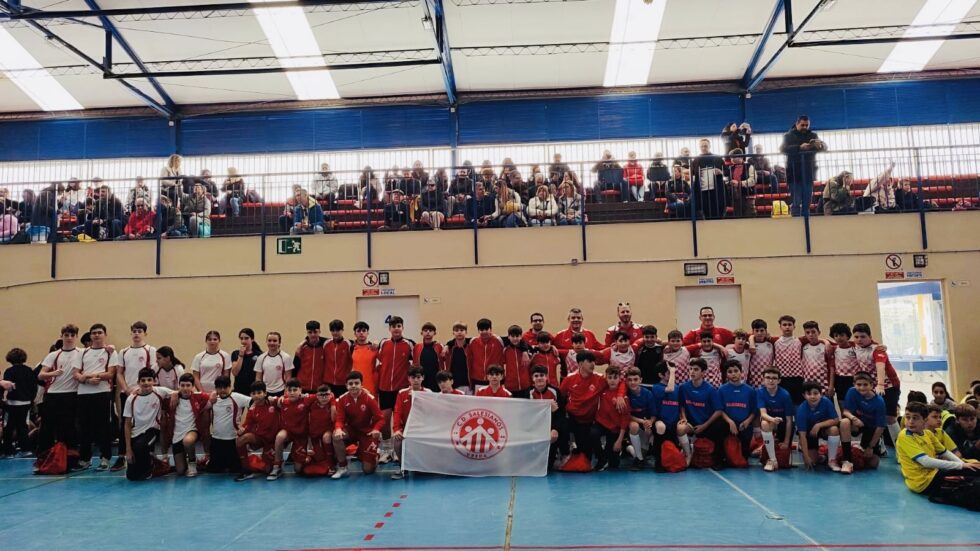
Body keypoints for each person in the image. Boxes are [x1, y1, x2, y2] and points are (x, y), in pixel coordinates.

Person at [897, 401, 980, 510]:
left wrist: (964, 465)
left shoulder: (928, 434)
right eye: (908, 417)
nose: (911, 421)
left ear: (925, 420)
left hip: (935, 473)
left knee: (974, 468)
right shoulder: (905, 436)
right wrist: (961, 466)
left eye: (915, 418)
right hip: (924, 483)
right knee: (973, 485)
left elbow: (945, 452)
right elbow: (925, 461)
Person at [559, 351, 622, 464]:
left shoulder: (600, 379)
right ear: (580, 364)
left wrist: (620, 395)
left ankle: (601, 456)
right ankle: (564, 453)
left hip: (589, 421)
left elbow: (621, 383)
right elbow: (559, 396)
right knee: (560, 427)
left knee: (586, 457)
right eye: (589, 361)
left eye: (594, 361)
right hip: (572, 418)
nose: (593, 364)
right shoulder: (569, 379)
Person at [73, 323, 118, 470]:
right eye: (94, 333)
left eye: (99, 332)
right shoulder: (82, 353)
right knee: (84, 427)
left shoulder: (110, 352)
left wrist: (90, 376)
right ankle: (85, 459)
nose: (96, 335)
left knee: (103, 427)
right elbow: (76, 373)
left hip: (102, 393)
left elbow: (110, 374)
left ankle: (105, 458)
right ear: (90, 336)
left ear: (105, 335)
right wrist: (86, 380)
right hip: (83, 394)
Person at [37, 324, 83, 462]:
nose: (69, 338)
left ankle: (70, 460)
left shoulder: (82, 353)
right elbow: (41, 375)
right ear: (61, 336)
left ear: (76, 337)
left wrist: (110, 348)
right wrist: (53, 373)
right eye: (66, 335)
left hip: (72, 394)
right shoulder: (54, 355)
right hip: (53, 394)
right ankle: (44, 459)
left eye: (72, 335)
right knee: (47, 428)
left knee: (69, 428)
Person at [852, 323, 901, 446]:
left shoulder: (878, 350)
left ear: (870, 336)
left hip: (889, 386)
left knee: (890, 418)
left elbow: (880, 367)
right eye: (856, 337)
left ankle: (901, 448)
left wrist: (880, 384)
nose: (859, 340)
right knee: (873, 417)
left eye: (863, 337)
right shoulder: (855, 346)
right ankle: (878, 447)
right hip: (872, 387)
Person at [332, 371, 384, 479]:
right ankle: (343, 467)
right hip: (352, 430)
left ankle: (375, 455)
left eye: (356, 383)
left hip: (367, 432)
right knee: (336, 435)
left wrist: (376, 429)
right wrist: (338, 428)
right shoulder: (342, 399)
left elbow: (380, 419)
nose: (353, 386)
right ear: (346, 385)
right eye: (350, 384)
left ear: (361, 384)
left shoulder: (369, 398)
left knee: (368, 470)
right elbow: (340, 419)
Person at [122, 368, 170, 481]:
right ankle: (152, 460)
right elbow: (127, 424)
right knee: (132, 477)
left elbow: (178, 392)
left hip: (153, 430)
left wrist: (175, 395)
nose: (146, 383)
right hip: (136, 433)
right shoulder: (131, 399)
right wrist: (128, 449)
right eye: (143, 380)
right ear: (138, 382)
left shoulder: (160, 392)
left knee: (140, 447)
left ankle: (151, 466)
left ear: (154, 381)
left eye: (149, 380)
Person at [377, 316, 414, 462]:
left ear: (402, 328)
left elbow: (415, 366)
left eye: (399, 326)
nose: (396, 329)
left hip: (401, 389)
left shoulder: (409, 344)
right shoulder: (383, 343)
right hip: (384, 388)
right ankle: (387, 450)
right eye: (393, 326)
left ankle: (400, 450)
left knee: (402, 421)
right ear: (389, 329)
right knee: (385, 421)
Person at [678, 359, 726, 468]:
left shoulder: (710, 389)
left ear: (703, 372)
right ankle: (688, 454)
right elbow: (681, 406)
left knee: (721, 426)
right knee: (680, 428)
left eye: (696, 369)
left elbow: (719, 410)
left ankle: (718, 459)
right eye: (690, 369)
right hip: (691, 424)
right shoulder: (683, 387)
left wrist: (704, 426)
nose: (692, 372)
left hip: (706, 425)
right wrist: (684, 418)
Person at [164, 373, 210, 477]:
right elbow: (157, 391)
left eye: (188, 385)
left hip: (192, 430)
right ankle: (186, 460)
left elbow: (213, 395)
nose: (185, 388)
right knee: (180, 471)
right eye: (183, 385)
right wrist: (174, 392)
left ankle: (192, 462)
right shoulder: (172, 399)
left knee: (188, 441)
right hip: (177, 435)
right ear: (179, 385)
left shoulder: (199, 397)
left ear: (193, 386)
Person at [269, 379, 316, 481]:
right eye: (289, 390)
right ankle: (277, 466)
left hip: (301, 436)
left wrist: (305, 395)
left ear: (300, 390)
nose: (292, 393)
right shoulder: (282, 401)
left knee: (298, 470)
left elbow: (327, 395)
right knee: (279, 437)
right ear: (286, 391)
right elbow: (267, 399)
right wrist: (277, 398)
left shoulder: (306, 400)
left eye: (295, 390)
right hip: (288, 432)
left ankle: (309, 457)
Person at [840, 372, 886, 475]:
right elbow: (846, 411)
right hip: (857, 425)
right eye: (859, 384)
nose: (862, 387)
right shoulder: (852, 391)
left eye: (865, 385)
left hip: (871, 429)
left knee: (873, 464)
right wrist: (854, 418)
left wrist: (870, 447)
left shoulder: (879, 402)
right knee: (844, 422)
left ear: (871, 385)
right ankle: (847, 461)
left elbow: (880, 427)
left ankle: (868, 446)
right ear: (854, 384)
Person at [780, 115, 826, 217]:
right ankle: (795, 221)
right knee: (796, 201)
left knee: (807, 201)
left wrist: (820, 146)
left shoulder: (813, 135)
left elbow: (824, 147)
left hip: (808, 172)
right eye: (802, 125)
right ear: (797, 124)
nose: (805, 127)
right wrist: (799, 147)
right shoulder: (788, 136)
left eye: (807, 125)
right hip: (794, 174)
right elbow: (782, 149)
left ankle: (806, 220)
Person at [234, 381, 279, 481]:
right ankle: (246, 470)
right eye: (253, 393)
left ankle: (275, 463)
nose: (256, 395)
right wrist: (241, 431)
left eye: (259, 393)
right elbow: (247, 425)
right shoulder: (252, 409)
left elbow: (286, 400)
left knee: (268, 470)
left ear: (265, 393)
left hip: (274, 440)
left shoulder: (273, 402)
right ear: (250, 395)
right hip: (260, 438)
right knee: (240, 440)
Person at [390, 368, 430, 479]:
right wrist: (396, 429)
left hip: (423, 429)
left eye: (418, 377)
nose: (416, 380)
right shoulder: (401, 393)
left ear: (423, 378)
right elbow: (397, 412)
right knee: (397, 441)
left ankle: (426, 465)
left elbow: (431, 412)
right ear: (408, 379)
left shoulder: (428, 393)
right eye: (413, 377)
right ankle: (403, 468)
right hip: (406, 428)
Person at [796, 381, 842, 471]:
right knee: (812, 461)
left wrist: (818, 425)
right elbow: (802, 435)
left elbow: (836, 419)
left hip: (823, 429)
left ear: (821, 394)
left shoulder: (826, 402)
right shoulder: (801, 410)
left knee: (834, 429)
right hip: (809, 433)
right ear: (804, 395)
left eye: (815, 393)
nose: (813, 396)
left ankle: (832, 460)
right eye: (809, 394)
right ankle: (819, 454)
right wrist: (806, 457)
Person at [717, 359, 757, 463]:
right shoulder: (721, 390)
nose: (733, 374)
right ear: (726, 375)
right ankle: (719, 458)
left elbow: (754, 411)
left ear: (741, 372)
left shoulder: (750, 390)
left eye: (736, 371)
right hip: (728, 423)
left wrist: (747, 421)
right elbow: (720, 410)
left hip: (744, 424)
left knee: (743, 458)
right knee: (718, 426)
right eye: (730, 372)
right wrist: (730, 422)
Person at [757, 368, 795, 472]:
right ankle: (772, 460)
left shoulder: (785, 395)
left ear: (779, 380)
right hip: (771, 421)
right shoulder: (760, 392)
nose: (771, 380)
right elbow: (763, 414)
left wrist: (786, 442)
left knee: (784, 457)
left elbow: (789, 420)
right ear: (763, 379)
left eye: (774, 378)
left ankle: (774, 447)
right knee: (764, 423)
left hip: (783, 424)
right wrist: (773, 420)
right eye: (768, 377)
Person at [2, 348, 38, 458]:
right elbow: (34, 387)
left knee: (9, 427)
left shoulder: (9, 371)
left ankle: (8, 451)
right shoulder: (29, 371)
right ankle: (25, 449)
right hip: (26, 403)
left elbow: (8, 387)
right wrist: (31, 399)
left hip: (12, 403)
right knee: (23, 427)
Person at [650, 361, 685, 467]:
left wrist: (683, 417)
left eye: (673, 372)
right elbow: (670, 389)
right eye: (669, 372)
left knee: (673, 449)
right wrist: (673, 372)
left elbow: (681, 405)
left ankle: (687, 454)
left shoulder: (678, 388)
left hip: (673, 422)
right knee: (660, 428)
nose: (672, 374)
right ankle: (658, 461)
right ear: (661, 375)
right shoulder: (656, 387)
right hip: (661, 421)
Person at [529, 365, 564, 470]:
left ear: (546, 377)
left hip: (551, 427)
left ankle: (563, 453)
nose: (539, 378)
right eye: (536, 376)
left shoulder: (555, 391)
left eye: (542, 375)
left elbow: (561, 413)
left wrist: (555, 429)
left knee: (548, 467)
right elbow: (527, 414)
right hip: (535, 427)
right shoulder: (528, 393)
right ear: (532, 378)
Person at [594, 366, 629, 471]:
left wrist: (619, 440)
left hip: (615, 428)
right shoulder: (603, 390)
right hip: (602, 423)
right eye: (610, 377)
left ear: (619, 379)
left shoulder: (623, 398)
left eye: (615, 377)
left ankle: (621, 447)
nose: (612, 380)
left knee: (614, 464)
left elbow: (625, 420)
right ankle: (601, 458)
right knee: (592, 433)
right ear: (606, 378)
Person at [770, 315, 805, 404]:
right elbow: (752, 335)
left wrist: (826, 342)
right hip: (782, 378)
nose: (787, 327)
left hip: (797, 378)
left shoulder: (800, 340)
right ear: (780, 327)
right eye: (784, 325)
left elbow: (817, 339)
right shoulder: (774, 341)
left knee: (798, 404)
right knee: (783, 404)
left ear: (794, 326)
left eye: (789, 324)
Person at [625, 367, 656, 470]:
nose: (632, 382)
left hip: (646, 426)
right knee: (634, 426)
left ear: (640, 380)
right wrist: (642, 421)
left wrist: (649, 423)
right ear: (626, 381)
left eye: (635, 379)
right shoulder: (626, 394)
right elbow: (627, 415)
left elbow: (653, 415)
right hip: (633, 425)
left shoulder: (648, 394)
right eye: (630, 380)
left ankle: (628, 448)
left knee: (644, 452)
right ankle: (639, 460)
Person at [690, 139, 726, 219]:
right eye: (701, 146)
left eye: (705, 146)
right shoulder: (695, 160)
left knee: (718, 209)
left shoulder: (718, 158)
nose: (703, 148)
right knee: (705, 210)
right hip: (702, 190)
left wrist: (721, 172)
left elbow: (726, 172)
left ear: (709, 146)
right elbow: (692, 173)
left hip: (717, 190)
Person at [466, 318, 504, 390]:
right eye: (481, 330)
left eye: (486, 329)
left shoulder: (499, 341)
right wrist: (448, 345)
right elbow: (459, 339)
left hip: (494, 378)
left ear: (491, 329)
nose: (484, 332)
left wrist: (524, 351)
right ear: (478, 331)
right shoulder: (473, 342)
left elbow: (516, 340)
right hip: (477, 379)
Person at [254, 332, 293, 398]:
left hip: (281, 392)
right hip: (265, 392)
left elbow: (288, 377)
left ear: (279, 343)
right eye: (269, 340)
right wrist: (260, 392)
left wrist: (286, 393)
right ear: (266, 342)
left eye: (274, 341)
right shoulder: (261, 358)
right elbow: (258, 378)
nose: (272, 343)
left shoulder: (286, 357)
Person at [293, 320, 328, 394]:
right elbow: (295, 368)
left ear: (319, 332)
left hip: (319, 388)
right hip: (302, 387)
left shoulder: (325, 346)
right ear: (307, 333)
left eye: (315, 332)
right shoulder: (301, 348)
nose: (313, 335)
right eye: (310, 332)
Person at [801, 321, 833, 395]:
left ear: (819, 332)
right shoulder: (803, 347)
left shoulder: (826, 347)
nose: (811, 334)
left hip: (824, 384)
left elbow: (831, 367)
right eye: (808, 332)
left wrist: (831, 386)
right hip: (808, 383)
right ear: (805, 335)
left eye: (813, 332)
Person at [231, 328, 262, 397]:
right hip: (238, 390)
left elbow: (260, 376)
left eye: (246, 338)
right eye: (241, 338)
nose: (243, 341)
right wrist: (241, 356)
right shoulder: (235, 353)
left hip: (253, 391)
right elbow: (235, 372)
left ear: (252, 339)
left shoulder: (259, 355)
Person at [412, 323, 443, 393]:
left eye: (430, 330)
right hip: (421, 380)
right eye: (425, 330)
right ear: (421, 333)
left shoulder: (440, 346)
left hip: (435, 380)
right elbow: (414, 364)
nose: (428, 332)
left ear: (435, 333)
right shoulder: (417, 347)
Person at [351, 321, 379, 395]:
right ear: (355, 333)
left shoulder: (374, 348)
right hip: (355, 385)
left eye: (364, 330)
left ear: (368, 332)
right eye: (358, 331)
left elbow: (385, 363)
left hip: (371, 385)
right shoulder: (351, 348)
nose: (361, 333)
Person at [502, 326, 532, 396]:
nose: (515, 338)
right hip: (510, 386)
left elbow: (539, 349)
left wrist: (552, 347)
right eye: (512, 336)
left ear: (521, 337)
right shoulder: (505, 349)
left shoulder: (527, 349)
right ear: (508, 337)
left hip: (525, 385)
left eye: (517, 336)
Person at [443, 322, 471, 393]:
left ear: (466, 332)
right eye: (456, 330)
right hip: (454, 384)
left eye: (461, 330)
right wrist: (447, 345)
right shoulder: (449, 348)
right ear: (453, 333)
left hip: (469, 384)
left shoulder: (471, 345)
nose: (459, 332)